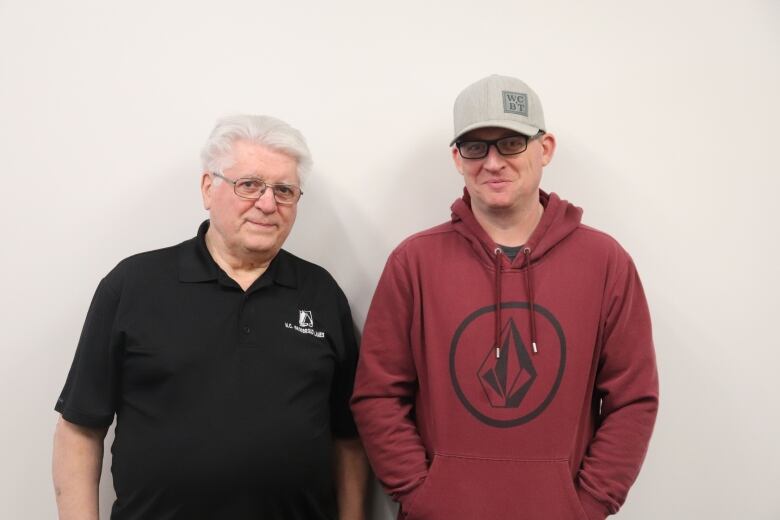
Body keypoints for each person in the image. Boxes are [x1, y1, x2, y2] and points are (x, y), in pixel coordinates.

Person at [351, 75, 658, 520]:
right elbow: (378, 394)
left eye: (511, 143)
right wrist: (422, 497)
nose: (493, 162)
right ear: (457, 157)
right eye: (476, 147)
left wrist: (585, 506)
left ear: (545, 148)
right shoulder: (413, 261)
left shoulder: (605, 262)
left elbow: (633, 400)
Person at [52, 115, 368, 520]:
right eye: (249, 185)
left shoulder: (321, 293)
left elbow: (348, 438)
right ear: (208, 187)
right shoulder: (133, 285)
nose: (268, 204)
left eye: (284, 190)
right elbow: (79, 428)